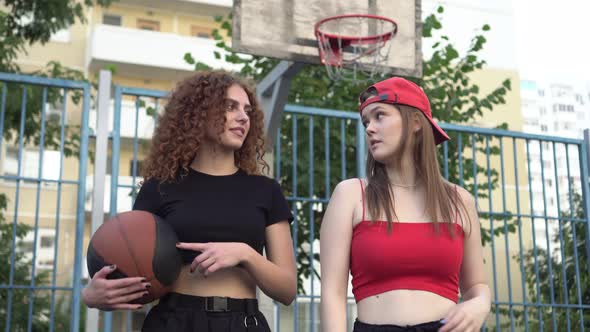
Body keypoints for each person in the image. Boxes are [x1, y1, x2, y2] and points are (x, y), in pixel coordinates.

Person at [82, 70, 296, 331]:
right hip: (173, 320)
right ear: (198, 113)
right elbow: (132, 269)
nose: (243, 117)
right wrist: (92, 296)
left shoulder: (266, 191)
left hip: (242, 322)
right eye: (230, 107)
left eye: (248, 111)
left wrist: (245, 253)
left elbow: (287, 290)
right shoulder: (159, 188)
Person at [319, 77, 490, 332]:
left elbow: (477, 285)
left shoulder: (459, 201)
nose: (369, 128)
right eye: (366, 121)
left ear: (416, 123)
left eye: (379, 116)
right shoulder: (351, 195)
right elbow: (332, 294)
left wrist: (480, 304)